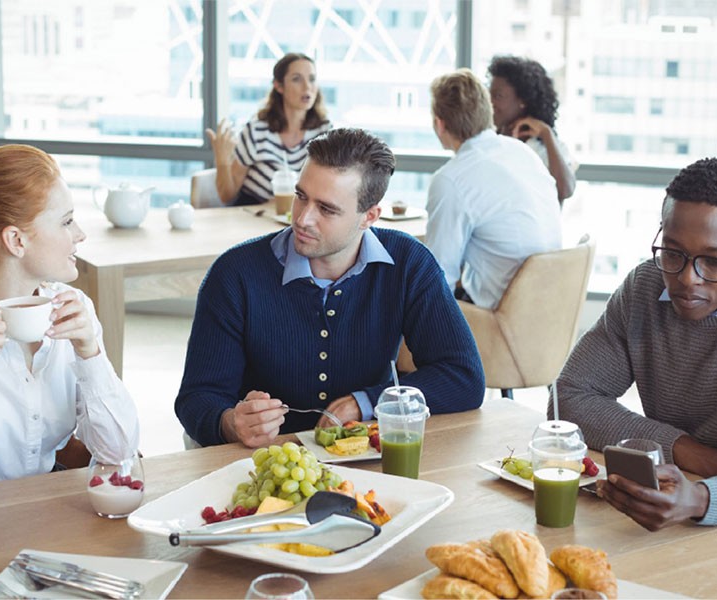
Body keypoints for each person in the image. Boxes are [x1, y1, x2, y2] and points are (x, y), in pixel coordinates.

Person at [176, 127, 485, 448]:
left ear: (369, 217)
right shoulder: (234, 273)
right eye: (301, 197)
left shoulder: (409, 263)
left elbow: (463, 378)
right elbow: (197, 397)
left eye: (326, 208)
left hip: (363, 454)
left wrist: (368, 402)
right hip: (262, 460)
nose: (303, 219)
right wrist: (231, 423)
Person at [0, 144, 140, 488]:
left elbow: (120, 450)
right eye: (66, 221)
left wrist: (90, 354)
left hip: (45, 507)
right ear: (16, 240)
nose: (80, 234)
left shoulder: (74, 306)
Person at [554, 157, 717, 529]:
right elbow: (571, 397)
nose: (688, 279)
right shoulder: (644, 288)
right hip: (673, 505)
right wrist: (684, 449)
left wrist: (703, 499)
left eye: (715, 262)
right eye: (673, 253)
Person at [425, 68, 561, 309]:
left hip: (500, 319)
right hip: (549, 311)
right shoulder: (522, 152)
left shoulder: (451, 179)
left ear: (440, 124)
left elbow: (438, 277)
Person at [207, 52, 331, 206]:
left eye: (312, 79)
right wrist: (222, 158)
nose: (307, 87)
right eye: (296, 79)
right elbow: (227, 195)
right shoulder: (256, 131)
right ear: (279, 86)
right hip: (253, 216)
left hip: (297, 218)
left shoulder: (324, 132)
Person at [488, 55, 576, 203]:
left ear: (523, 100)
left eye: (498, 96)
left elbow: (564, 190)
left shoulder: (547, 148)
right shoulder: (488, 142)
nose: (490, 102)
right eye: (489, 94)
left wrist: (546, 134)